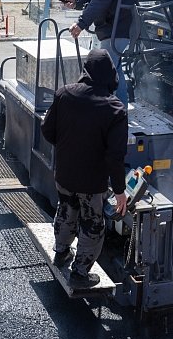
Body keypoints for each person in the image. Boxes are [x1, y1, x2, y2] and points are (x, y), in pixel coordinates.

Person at [40, 48, 129, 288]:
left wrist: (68, 147)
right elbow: (115, 156)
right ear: (111, 74)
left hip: (64, 174)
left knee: (66, 211)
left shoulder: (64, 93)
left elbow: (47, 131)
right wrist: (119, 191)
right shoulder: (115, 109)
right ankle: (80, 273)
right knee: (92, 224)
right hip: (91, 182)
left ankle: (61, 251)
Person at [65, 0, 138, 109]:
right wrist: (78, 1)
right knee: (110, 68)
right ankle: (114, 108)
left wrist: (81, 23)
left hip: (119, 26)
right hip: (109, 25)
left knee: (111, 69)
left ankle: (119, 111)